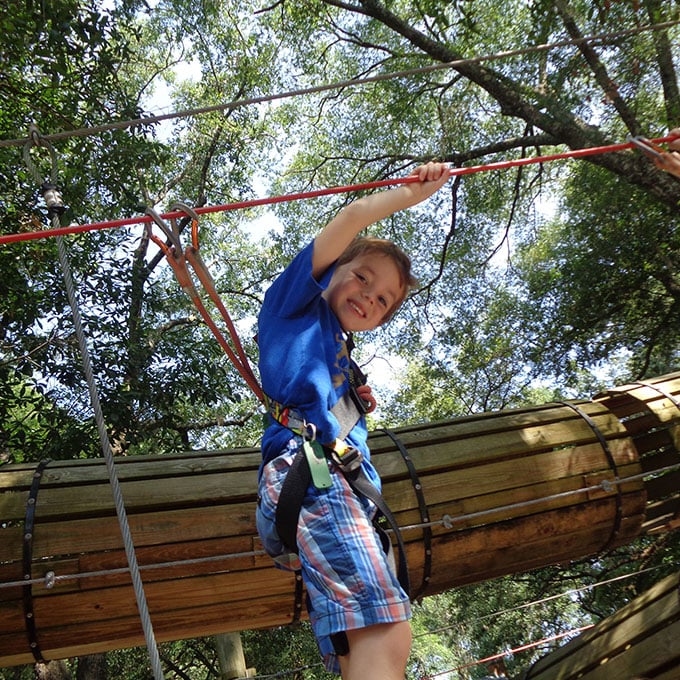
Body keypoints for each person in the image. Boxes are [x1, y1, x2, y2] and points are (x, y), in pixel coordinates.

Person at [255, 161, 450, 679]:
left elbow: (320, 392)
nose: (368, 295)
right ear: (332, 271)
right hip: (311, 476)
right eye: (361, 277)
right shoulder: (292, 307)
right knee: (385, 628)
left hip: (337, 483)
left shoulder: (337, 352)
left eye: (382, 299)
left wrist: (352, 400)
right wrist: (408, 196)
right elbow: (347, 219)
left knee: (365, 639)